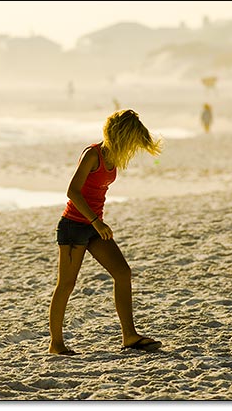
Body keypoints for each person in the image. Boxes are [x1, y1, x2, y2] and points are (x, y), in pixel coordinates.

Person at [48, 109, 163, 355]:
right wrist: (96, 222)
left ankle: (129, 336)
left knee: (122, 272)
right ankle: (56, 344)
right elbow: (73, 192)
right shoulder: (93, 154)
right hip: (74, 226)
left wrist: (96, 224)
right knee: (66, 284)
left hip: (92, 227)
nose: (132, 146)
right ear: (121, 135)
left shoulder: (114, 158)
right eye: (131, 139)